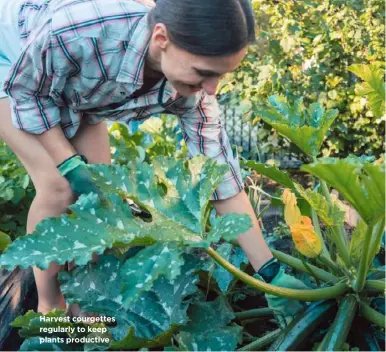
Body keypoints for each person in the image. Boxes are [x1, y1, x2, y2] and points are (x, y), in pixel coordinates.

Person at [0, 0, 306, 322]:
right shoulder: (81, 29)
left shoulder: (196, 96)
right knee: (60, 187)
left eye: (221, 75)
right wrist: (69, 163)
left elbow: (222, 181)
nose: (212, 88)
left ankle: (87, 311)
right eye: (204, 72)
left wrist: (269, 273)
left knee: (103, 200)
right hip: (14, 62)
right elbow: (29, 92)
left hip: (74, 82)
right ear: (161, 38)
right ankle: (49, 311)